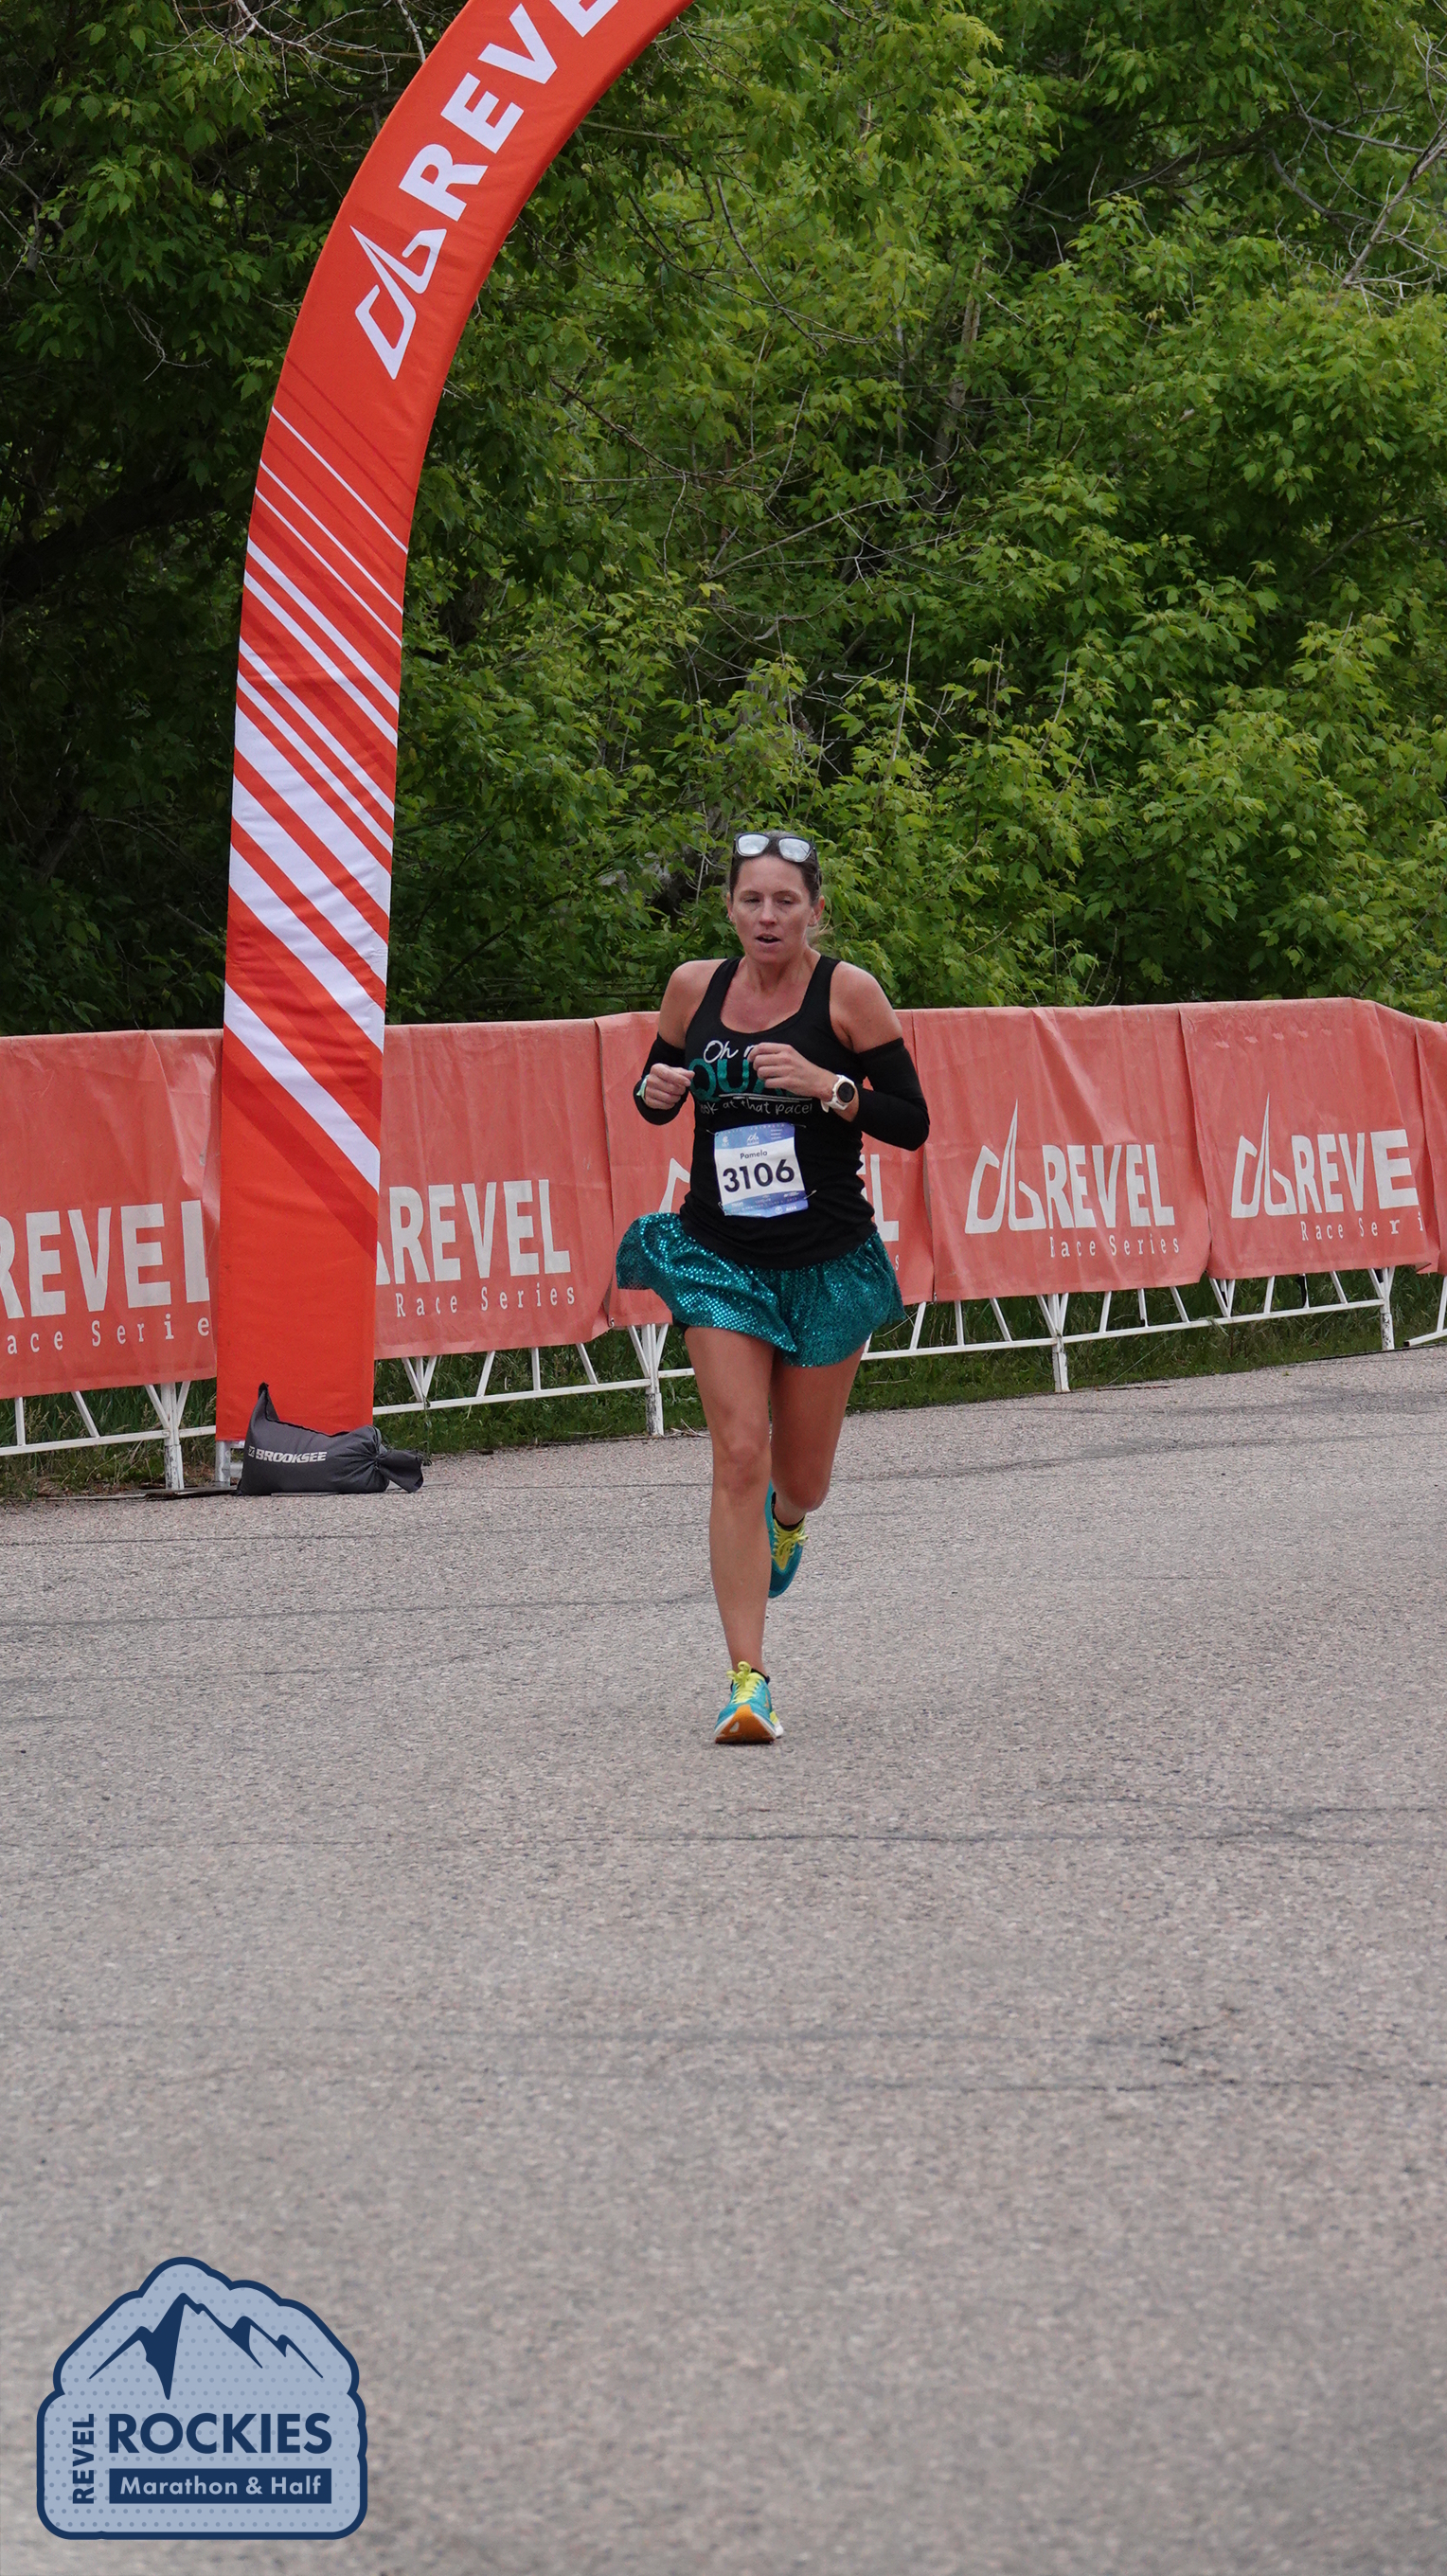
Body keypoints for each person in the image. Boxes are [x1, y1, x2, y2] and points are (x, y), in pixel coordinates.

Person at [616, 830, 930, 1744]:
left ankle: (787, 1521)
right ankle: (746, 1682)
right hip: (719, 1256)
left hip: (826, 1262)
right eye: (752, 900)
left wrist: (832, 1088)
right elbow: (653, 1091)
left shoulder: (849, 994)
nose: (767, 916)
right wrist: (656, 1093)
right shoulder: (693, 988)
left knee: (801, 1478)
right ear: (729, 910)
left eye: (785, 902)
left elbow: (911, 1121)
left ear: (814, 912)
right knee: (739, 1453)